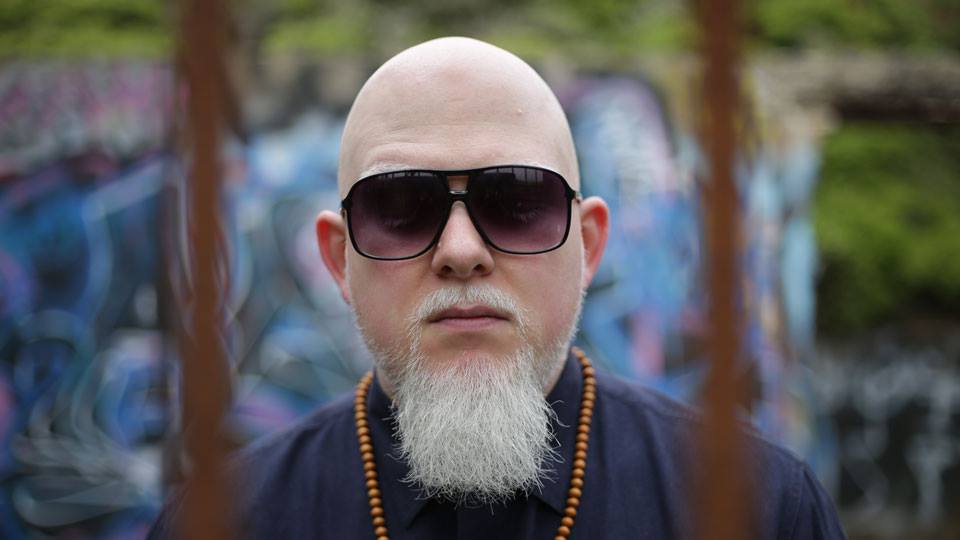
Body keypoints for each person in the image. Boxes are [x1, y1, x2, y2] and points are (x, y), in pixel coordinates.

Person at [150, 37, 845, 539]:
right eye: (400, 207)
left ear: (588, 246)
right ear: (338, 260)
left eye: (517, 201)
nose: (461, 252)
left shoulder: (760, 507)